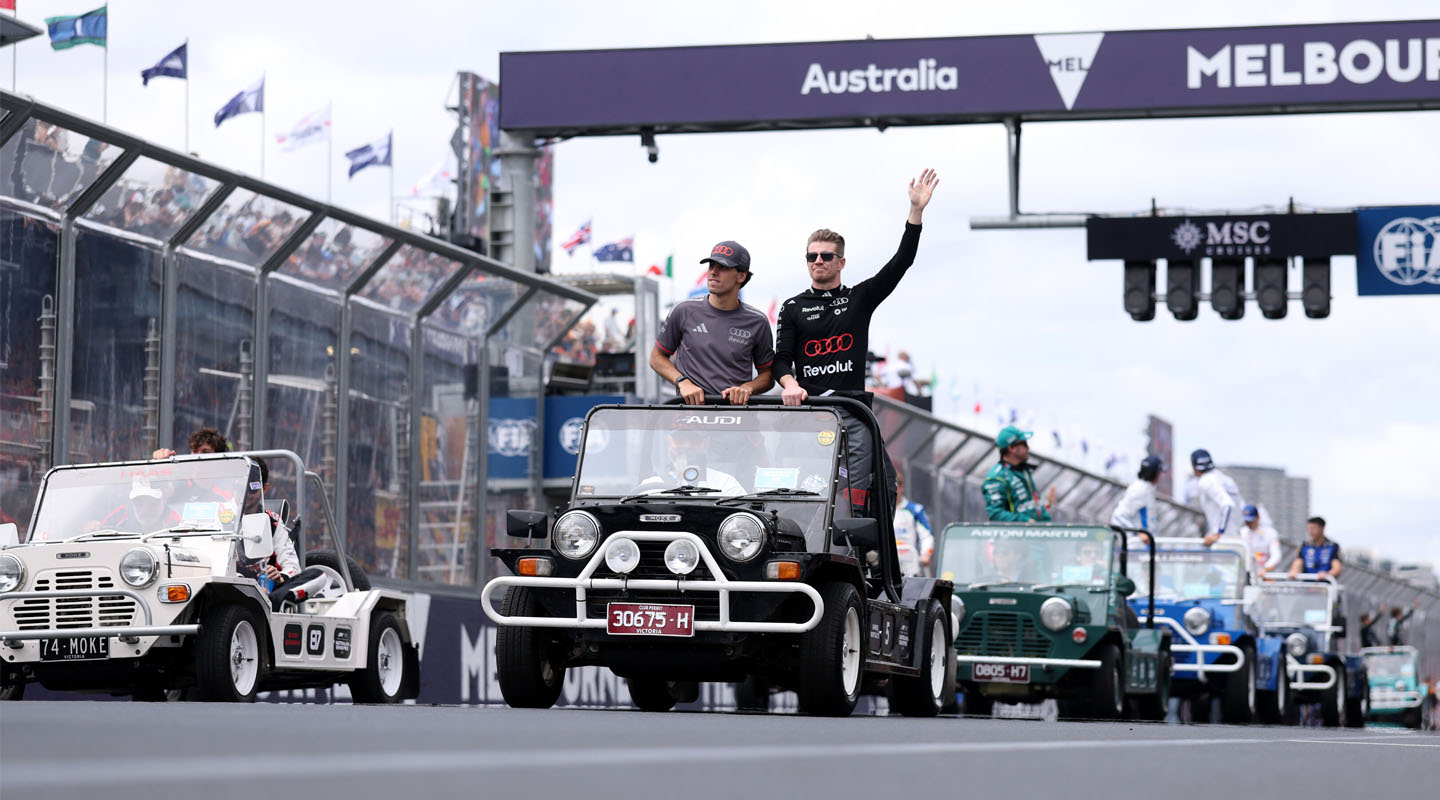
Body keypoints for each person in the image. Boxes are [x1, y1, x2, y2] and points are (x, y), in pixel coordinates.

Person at [774, 169, 939, 519]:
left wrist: (915, 213)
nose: (818, 261)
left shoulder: (859, 298)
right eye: (812, 256)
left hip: (853, 414)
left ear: (841, 262)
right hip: (811, 414)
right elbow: (781, 359)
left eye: (826, 256)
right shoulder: (792, 306)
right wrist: (789, 384)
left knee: (871, 494)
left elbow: (901, 263)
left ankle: (868, 562)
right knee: (806, 498)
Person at [650, 240, 775, 405]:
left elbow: (768, 376)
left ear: (741, 276)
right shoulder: (683, 310)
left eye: (722, 267)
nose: (713, 272)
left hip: (737, 419)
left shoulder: (758, 321)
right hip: (689, 419)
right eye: (711, 266)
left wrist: (747, 388)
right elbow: (656, 357)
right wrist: (682, 381)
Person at [639, 429, 745, 497]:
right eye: (680, 439)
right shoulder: (650, 486)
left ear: (706, 443)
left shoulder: (725, 484)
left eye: (694, 439)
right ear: (670, 442)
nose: (687, 445)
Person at [983, 426, 1056, 522]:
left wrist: (1047, 504)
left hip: (1039, 533)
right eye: (1024, 444)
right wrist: (1025, 522)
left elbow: (1029, 507)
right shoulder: (996, 477)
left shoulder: (1023, 471)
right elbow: (996, 514)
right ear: (1011, 448)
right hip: (1017, 535)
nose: (1028, 448)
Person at [1191, 449, 1245, 547]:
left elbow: (1227, 505)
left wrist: (1218, 534)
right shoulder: (1226, 480)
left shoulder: (1206, 480)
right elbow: (1242, 510)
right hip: (1238, 540)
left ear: (1194, 467)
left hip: (1223, 542)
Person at [1111, 455, 1162, 542]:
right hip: (1139, 549)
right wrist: (1138, 533)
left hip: (1147, 548)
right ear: (1156, 473)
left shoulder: (1147, 489)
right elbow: (1118, 516)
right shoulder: (1139, 489)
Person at [892, 470, 933, 577]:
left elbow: (927, 536)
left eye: (896, 487)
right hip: (888, 565)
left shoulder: (915, 510)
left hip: (910, 565)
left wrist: (925, 554)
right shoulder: (882, 511)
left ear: (901, 488)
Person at [1240, 504, 1283, 575]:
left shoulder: (1270, 533)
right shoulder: (1242, 532)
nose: (1249, 524)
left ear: (1257, 518)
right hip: (1247, 574)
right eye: (1246, 521)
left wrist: (1266, 568)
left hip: (1265, 575)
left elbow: (1276, 555)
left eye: (1251, 521)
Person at [153, 426, 228, 460]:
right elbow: (167, 489)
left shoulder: (229, 488)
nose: (198, 457)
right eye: (195, 451)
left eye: (205, 452)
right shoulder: (179, 482)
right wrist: (161, 461)